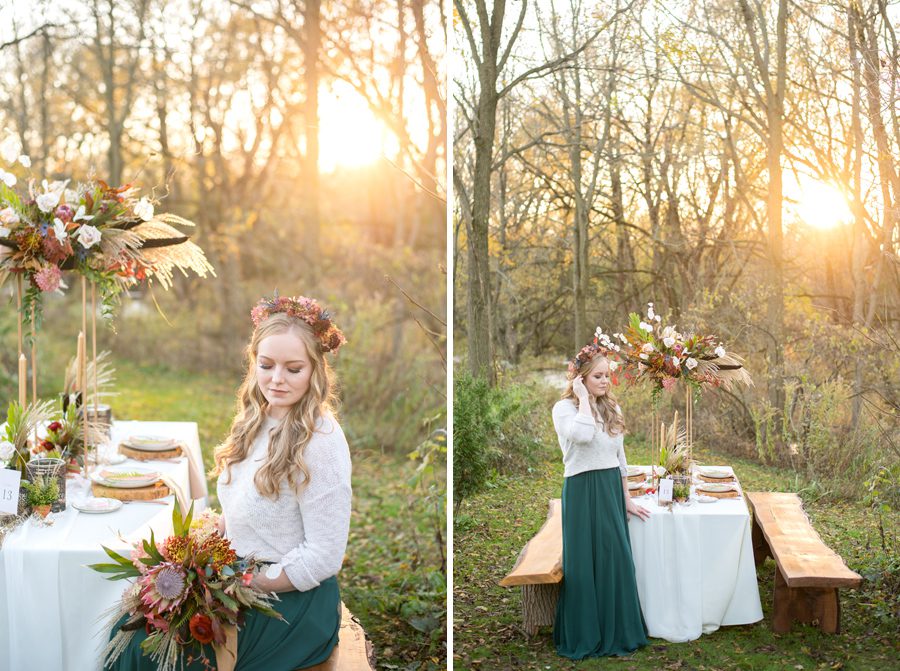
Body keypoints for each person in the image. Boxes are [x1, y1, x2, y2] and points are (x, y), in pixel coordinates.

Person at [107, 294, 351, 670]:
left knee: (157, 651)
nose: (277, 379)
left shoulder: (321, 442)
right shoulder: (257, 419)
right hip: (236, 574)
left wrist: (251, 583)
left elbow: (324, 554)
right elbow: (249, 511)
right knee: (131, 624)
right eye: (266, 365)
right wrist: (206, 543)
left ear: (315, 370)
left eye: (293, 368)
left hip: (292, 600)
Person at [551, 339, 649, 659]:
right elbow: (582, 436)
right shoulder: (564, 408)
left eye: (607, 375)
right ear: (580, 379)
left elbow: (620, 458)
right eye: (597, 376)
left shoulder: (612, 407)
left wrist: (627, 499)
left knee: (614, 558)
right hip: (580, 489)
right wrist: (582, 400)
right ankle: (585, 632)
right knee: (584, 563)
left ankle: (618, 630)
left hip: (608, 488)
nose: (605, 381)